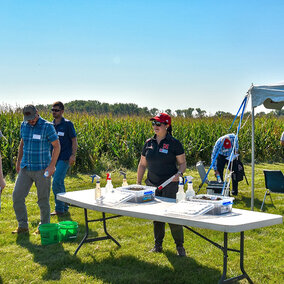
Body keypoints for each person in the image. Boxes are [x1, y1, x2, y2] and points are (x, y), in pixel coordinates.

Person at [137, 113, 187, 257]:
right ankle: (158, 245)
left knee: (173, 216)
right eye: (153, 124)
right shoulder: (149, 143)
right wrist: (139, 183)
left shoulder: (174, 143)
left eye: (158, 124)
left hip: (169, 185)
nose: (155, 126)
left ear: (167, 126)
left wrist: (179, 174)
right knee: (156, 216)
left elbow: (182, 163)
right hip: (152, 185)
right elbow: (142, 164)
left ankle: (180, 246)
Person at [12, 105, 60, 234]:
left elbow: (57, 146)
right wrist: (18, 161)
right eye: (28, 119)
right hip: (26, 167)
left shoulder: (47, 126)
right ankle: (23, 225)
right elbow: (22, 143)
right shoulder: (24, 125)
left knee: (43, 199)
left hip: (42, 169)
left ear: (37, 113)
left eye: (32, 118)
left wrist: (52, 166)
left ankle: (44, 226)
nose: (31, 121)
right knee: (17, 196)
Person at [50, 101, 78, 216]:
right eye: (52, 110)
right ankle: (65, 204)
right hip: (53, 159)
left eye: (56, 110)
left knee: (56, 182)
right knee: (60, 182)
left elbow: (74, 140)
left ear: (62, 111)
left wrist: (73, 155)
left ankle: (59, 208)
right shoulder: (50, 125)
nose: (54, 112)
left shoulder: (67, 124)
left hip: (64, 157)